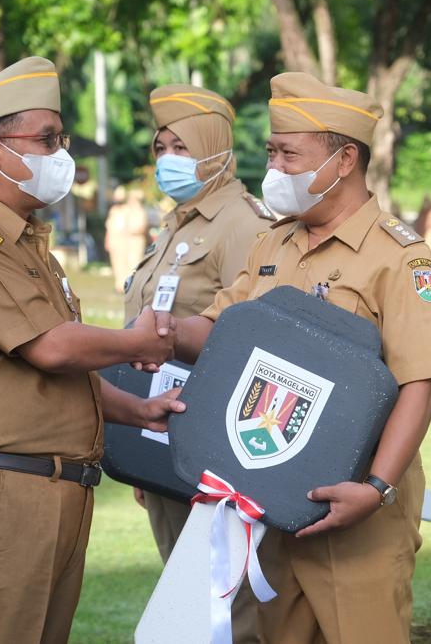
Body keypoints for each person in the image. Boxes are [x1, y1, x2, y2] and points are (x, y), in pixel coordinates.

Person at [173, 72, 431, 644]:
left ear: (345, 159)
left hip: (360, 521)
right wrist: (153, 335)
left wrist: (376, 488)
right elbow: (220, 331)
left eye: (288, 154)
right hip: (274, 503)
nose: (274, 168)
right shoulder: (274, 243)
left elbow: (421, 383)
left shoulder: (401, 259)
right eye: (271, 152)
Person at [0, 56, 184, 643]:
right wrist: (136, 341)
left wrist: (138, 411)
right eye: (46, 139)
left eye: (60, 138)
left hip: (55, 490)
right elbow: (52, 349)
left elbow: (61, 375)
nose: (61, 153)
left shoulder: (29, 245)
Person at [124, 83, 275, 643]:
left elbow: (251, 340)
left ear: (215, 150)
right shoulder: (178, 222)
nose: (167, 159)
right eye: (161, 146)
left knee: (224, 603)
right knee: (187, 595)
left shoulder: (241, 222)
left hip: (211, 442)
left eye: (181, 147)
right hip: (162, 429)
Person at [105, 187, 148, 292]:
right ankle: (120, 285)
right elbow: (110, 227)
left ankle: (131, 285)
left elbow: (142, 227)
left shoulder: (139, 211)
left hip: (134, 241)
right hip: (119, 240)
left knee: (133, 263)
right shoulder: (117, 210)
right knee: (119, 263)